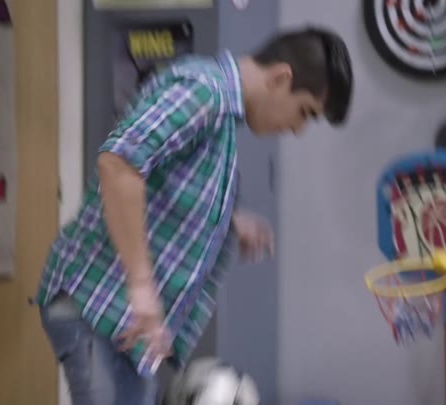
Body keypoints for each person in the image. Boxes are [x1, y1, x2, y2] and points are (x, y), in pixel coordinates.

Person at [35, 25, 353, 405]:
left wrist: (227, 222)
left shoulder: (221, 120)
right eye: (304, 112)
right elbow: (119, 164)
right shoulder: (203, 91)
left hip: (123, 322)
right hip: (97, 303)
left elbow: (165, 182)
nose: (298, 130)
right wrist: (141, 285)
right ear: (280, 79)